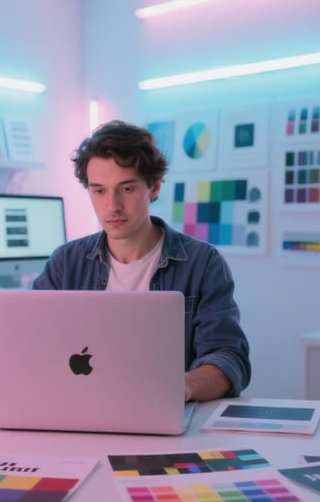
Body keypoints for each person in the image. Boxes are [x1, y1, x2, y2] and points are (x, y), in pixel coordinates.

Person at [32, 120, 251, 402]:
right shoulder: (65, 263)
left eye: (126, 188)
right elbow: (33, 345)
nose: (112, 206)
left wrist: (182, 386)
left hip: (163, 413)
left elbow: (229, 358)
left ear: (154, 187)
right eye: (99, 191)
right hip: (78, 407)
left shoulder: (202, 263)